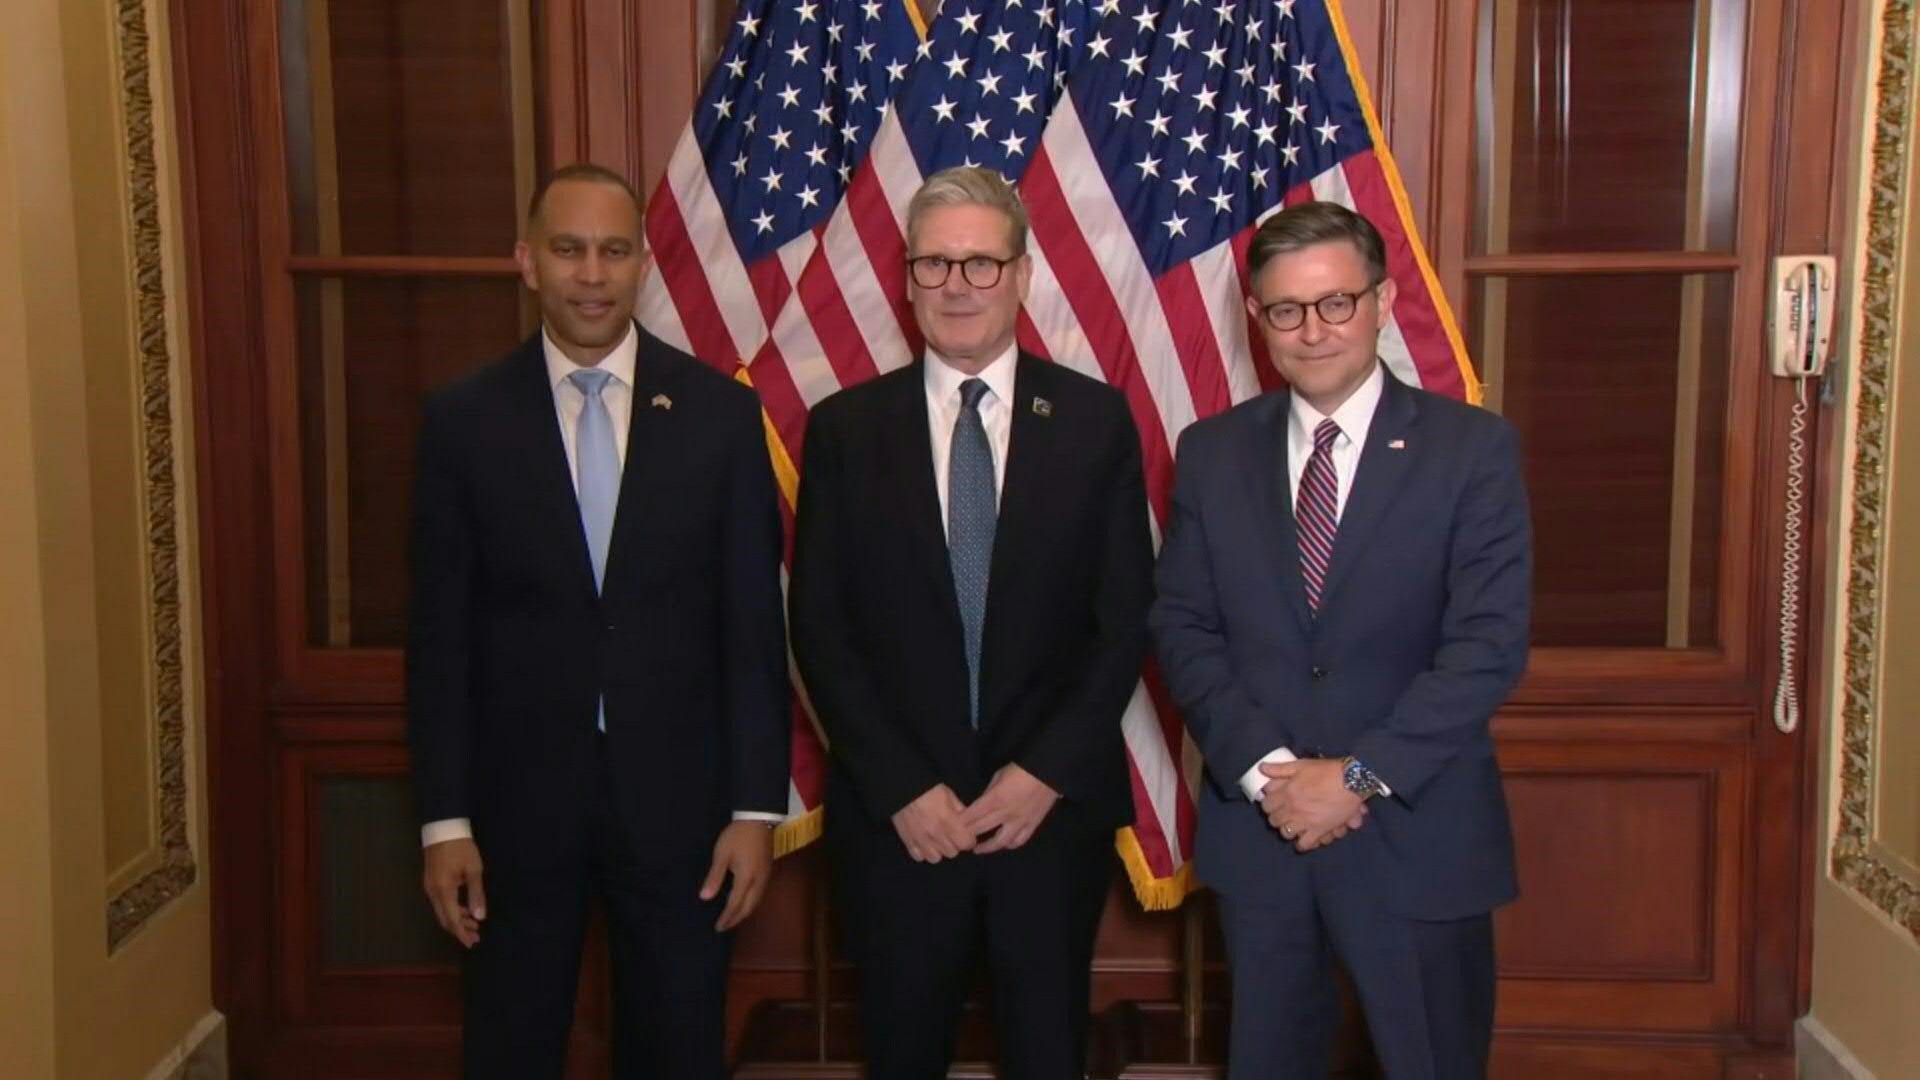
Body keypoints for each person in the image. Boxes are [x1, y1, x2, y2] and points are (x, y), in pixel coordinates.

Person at [406, 162, 789, 1079]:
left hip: (685, 815)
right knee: (512, 1045)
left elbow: (752, 629)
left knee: (677, 1049)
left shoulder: (721, 417)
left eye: (613, 251)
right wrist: (443, 822)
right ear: (528, 261)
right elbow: (440, 641)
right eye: (569, 249)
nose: (591, 273)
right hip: (514, 812)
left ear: (642, 266)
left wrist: (753, 809)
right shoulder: (461, 422)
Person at [1150, 201, 1532, 1078]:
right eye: (1286, 309)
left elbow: (1487, 646)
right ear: (1257, 317)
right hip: (1265, 835)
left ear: (1383, 300)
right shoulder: (1212, 453)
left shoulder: (1471, 450)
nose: (1312, 331)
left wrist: (1356, 779)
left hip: (1420, 838)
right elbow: (1183, 625)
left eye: (1336, 304)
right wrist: (1267, 773)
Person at [788, 165, 1154, 1078]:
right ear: (907, 278)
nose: (958, 287)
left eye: (982, 264)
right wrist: (903, 787)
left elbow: (1124, 623)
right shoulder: (843, 430)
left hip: (1047, 819)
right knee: (902, 1051)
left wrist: (1042, 776)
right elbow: (820, 632)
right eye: (936, 265)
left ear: (1023, 275)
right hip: (900, 822)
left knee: (1045, 1053)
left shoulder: (1093, 422)